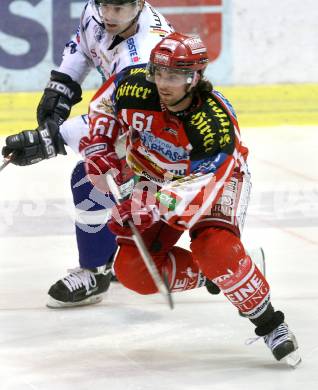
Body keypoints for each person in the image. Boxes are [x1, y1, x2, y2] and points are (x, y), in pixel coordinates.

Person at [80, 32, 301, 366]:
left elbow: (199, 189)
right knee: (134, 272)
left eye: (176, 76)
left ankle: (270, 322)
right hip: (151, 177)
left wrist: (144, 205)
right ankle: (221, 272)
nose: (164, 84)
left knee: (216, 249)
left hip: (213, 183)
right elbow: (105, 105)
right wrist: (100, 141)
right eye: (160, 73)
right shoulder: (136, 85)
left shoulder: (214, 124)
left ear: (195, 77)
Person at [1, 0, 174, 308]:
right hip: (138, 126)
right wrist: (61, 90)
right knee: (119, 196)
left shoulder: (148, 52)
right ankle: (118, 255)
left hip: (163, 138)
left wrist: (50, 141)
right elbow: (83, 47)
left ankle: (94, 272)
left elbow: (116, 122)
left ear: (140, 5)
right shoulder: (95, 12)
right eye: (104, 5)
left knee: (90, 179)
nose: (108, 16)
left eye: (119, 9)